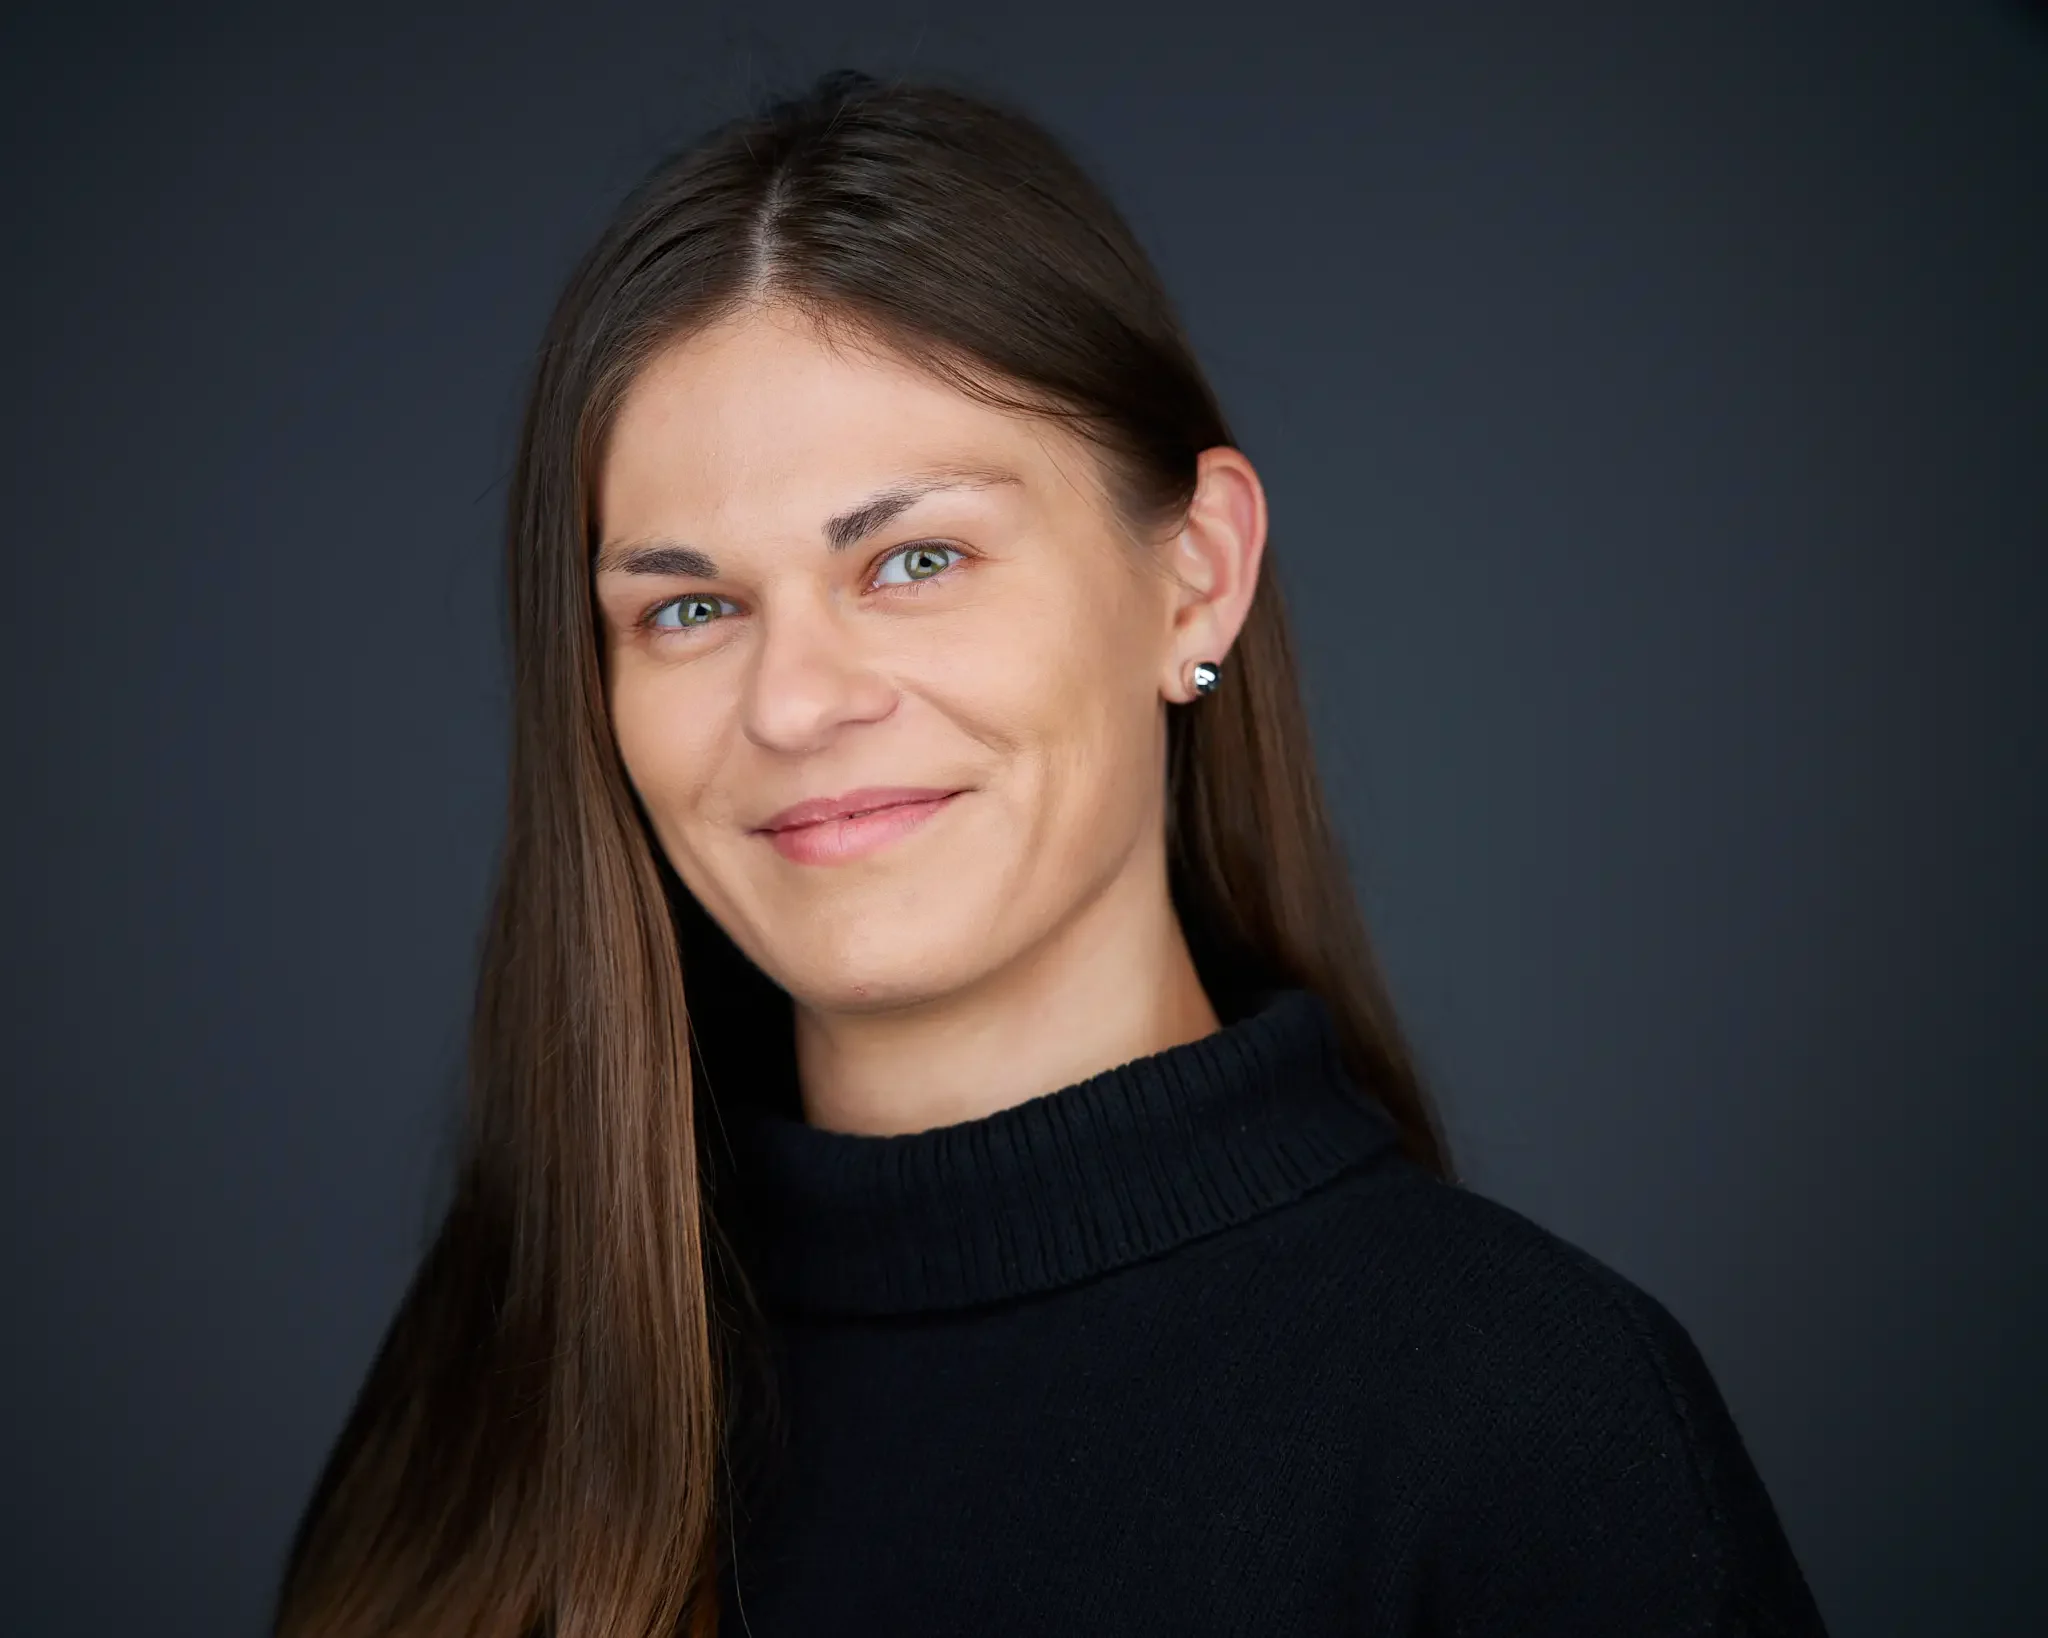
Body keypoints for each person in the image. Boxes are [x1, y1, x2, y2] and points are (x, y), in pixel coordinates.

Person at [275, 69, 1831, 1638]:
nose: (799, 700)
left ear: (1196, 578)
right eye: (688, 606)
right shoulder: (497, 1378)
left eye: (916, 558)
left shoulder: (1526, 1423)